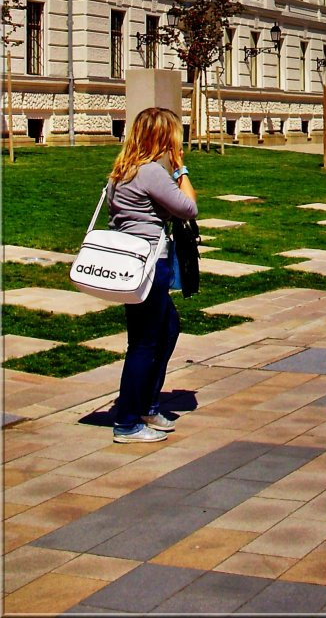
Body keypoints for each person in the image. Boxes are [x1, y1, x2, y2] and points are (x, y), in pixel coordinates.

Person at [107, 107, 198, 443]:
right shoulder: (151, 173)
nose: (179, 141)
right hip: (149, 264)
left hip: (132, 264)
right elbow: (189, 207)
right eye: (175, 135)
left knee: (167, 328)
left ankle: (145, 403)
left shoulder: (122, 171)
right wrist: (181, 168)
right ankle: (127, 422)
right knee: (144, 343)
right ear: (162, 138)